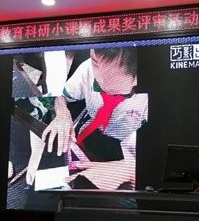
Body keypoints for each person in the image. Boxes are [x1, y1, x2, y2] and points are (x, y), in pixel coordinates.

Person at [41, 46, 148, 190]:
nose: (99, 80)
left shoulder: (157, 97)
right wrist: (62, 112)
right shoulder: (88, 69)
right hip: (89, 135)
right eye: (95, 62)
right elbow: (60, 95)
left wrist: (129, 169)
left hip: (128, 150)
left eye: (112, 76)